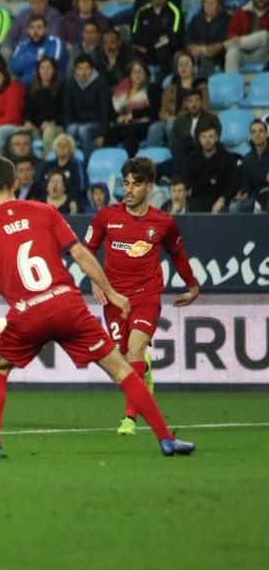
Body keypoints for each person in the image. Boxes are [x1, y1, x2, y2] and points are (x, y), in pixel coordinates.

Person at [0, 157, 195, 458]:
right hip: (66, 305)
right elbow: (81, 254)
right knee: (121, 369)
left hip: (27, 314)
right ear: (16, 183)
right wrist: (111, 292)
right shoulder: (45, 211)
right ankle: (165, 439)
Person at [85, 157, 199, 436]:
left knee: (135, 348)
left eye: (136, 184)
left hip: (146, 295)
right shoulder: (106, 217)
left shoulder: (163, 222)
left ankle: (129, 419)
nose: (129, 189)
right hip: (114, 298)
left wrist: (192, 285)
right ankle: (144, 369)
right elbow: (86, 251)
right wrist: (95, 281)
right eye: (126, 183)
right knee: (123, 366)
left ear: (149, 187)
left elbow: (177, 254)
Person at [184, 121, 240, 213]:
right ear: (199, 139)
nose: (207, 140)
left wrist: (222, 200)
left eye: (211, 136)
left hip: (220, 200)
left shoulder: (228, 157)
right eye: (204, 137)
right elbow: (185, 182)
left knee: (222, 210)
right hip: (197, 201)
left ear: (216, 138)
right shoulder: (192, 158)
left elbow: (233, 185)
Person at [131, 0, 183, 77]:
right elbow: (135, 36)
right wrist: (157, 39)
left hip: (164, 51)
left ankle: (163, 81)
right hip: (145, 51)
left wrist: (150, 45)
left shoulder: (174, 12)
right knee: (130, 51)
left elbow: (173, 38)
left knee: (164, 50)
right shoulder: (142, 11)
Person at [63, 55, 109, 156]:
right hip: (78, 122)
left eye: (87, 68)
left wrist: (103, 134)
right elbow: (67, 110)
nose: (83, 72)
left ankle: (89, 161)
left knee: (83, 130)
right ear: (75, 70)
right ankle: (71, 161)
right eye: (80, 68)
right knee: (71, 129)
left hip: (96, 123)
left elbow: (105, 110)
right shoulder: (71, 84)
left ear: (92, 69)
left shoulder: (101, 83)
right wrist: (68, 124)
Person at [10, 15, 68, 87]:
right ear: (28, 30)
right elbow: (14, 67)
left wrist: (25, 61)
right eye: (32, 28)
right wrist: (35, 58)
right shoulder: (23, 45)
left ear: (46, 30)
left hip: (51, 86)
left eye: (39, 27)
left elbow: (51, 65)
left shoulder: (55, 42)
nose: (35, 31)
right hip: (26, 86)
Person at [23, 57, 64, 154]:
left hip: (56, 126)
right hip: (36, 127)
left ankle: (47, 161)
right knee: (20, 133)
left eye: (48, 67)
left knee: (48, 133)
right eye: (42, 68)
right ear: (38, 70)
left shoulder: (62, 89)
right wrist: (27, 122)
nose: (45, 71)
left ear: (54, 70)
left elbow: (66, 112)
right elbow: (27, 111)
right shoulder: (31, 89)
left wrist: (52, 123)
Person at [224, 0, 269, 73]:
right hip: (244, 52)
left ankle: (224, 45)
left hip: (264, 54)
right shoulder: (242, 12)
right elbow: (230, 32)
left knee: (265, 35)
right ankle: (231, 80)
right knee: (232, 52)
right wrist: (233, 37)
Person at [185, 0, 229, 76]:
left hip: (214, 54)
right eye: (206, 2)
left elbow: (222, 41)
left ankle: (204, 82)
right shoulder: (196, 18)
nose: (208, 5)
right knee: (178, 57)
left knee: (205, 59)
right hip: (194, 51)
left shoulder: (225, 20)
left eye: (212, 3)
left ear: (219, 5)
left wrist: (202, 49)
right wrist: (191, 47)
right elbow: (187, 36)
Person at [231, 119, 269, 214]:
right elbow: (247, 185)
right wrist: (244, 193)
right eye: (254, 132)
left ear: (267, 134)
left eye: (261, 131)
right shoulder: (248, 159)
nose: (257, 134)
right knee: (234, 208)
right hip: (255, 198)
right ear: (251, 136)